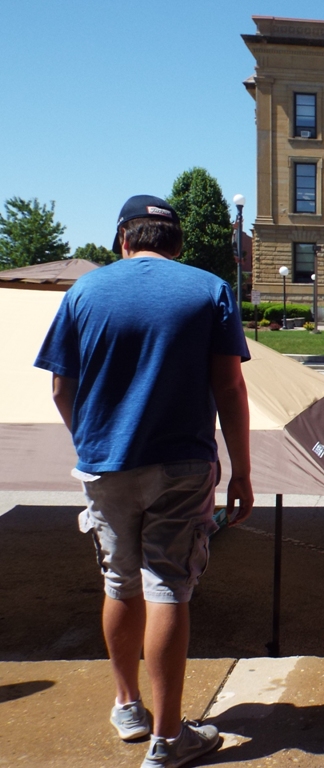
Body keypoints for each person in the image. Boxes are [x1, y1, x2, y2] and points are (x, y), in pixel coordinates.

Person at [34, 195, 252, 768]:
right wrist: (243, 471)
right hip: (184, 464)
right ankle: (168, 738)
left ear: (123, 239)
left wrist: (94, 441)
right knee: (168, 588)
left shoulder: (83, 292)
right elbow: (230, 387)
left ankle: (128, 706)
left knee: (119, 582)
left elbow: (60, 387)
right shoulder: (209, 290)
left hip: (105, 464)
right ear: (176, 243)